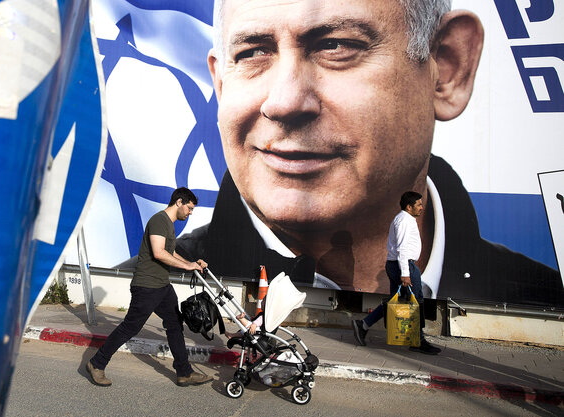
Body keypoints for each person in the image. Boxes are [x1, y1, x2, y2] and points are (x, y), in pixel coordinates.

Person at [175, 0, 563, 308]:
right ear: (221, 83)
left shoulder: (545, 300)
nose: (284, 101)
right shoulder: (164, 293)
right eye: (253, 52)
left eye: (336, 46)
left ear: (446, 69)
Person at [85, 187, 214, 387]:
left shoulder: (168, 225)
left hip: (162, 285)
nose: (190, 213)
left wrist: (192, 264)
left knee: (174, 324)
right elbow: (159, 253)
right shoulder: (159, 220)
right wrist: (187, 266)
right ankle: (97, 363)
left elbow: (170, 251)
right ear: (179, 202)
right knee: (130, 327)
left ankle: (184, 372)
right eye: (189, 208)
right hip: (147, 286)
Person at [352, 192, 441, 354]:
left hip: (398, 265)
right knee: (416, 301)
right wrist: (405, 273)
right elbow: (402, 248)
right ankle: (418, 341)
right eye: (418, 205)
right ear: (409, 206)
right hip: (403, 265)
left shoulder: (406, 219)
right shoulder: (404, 221)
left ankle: (363, 325)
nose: (421, 207)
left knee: (395, 301)